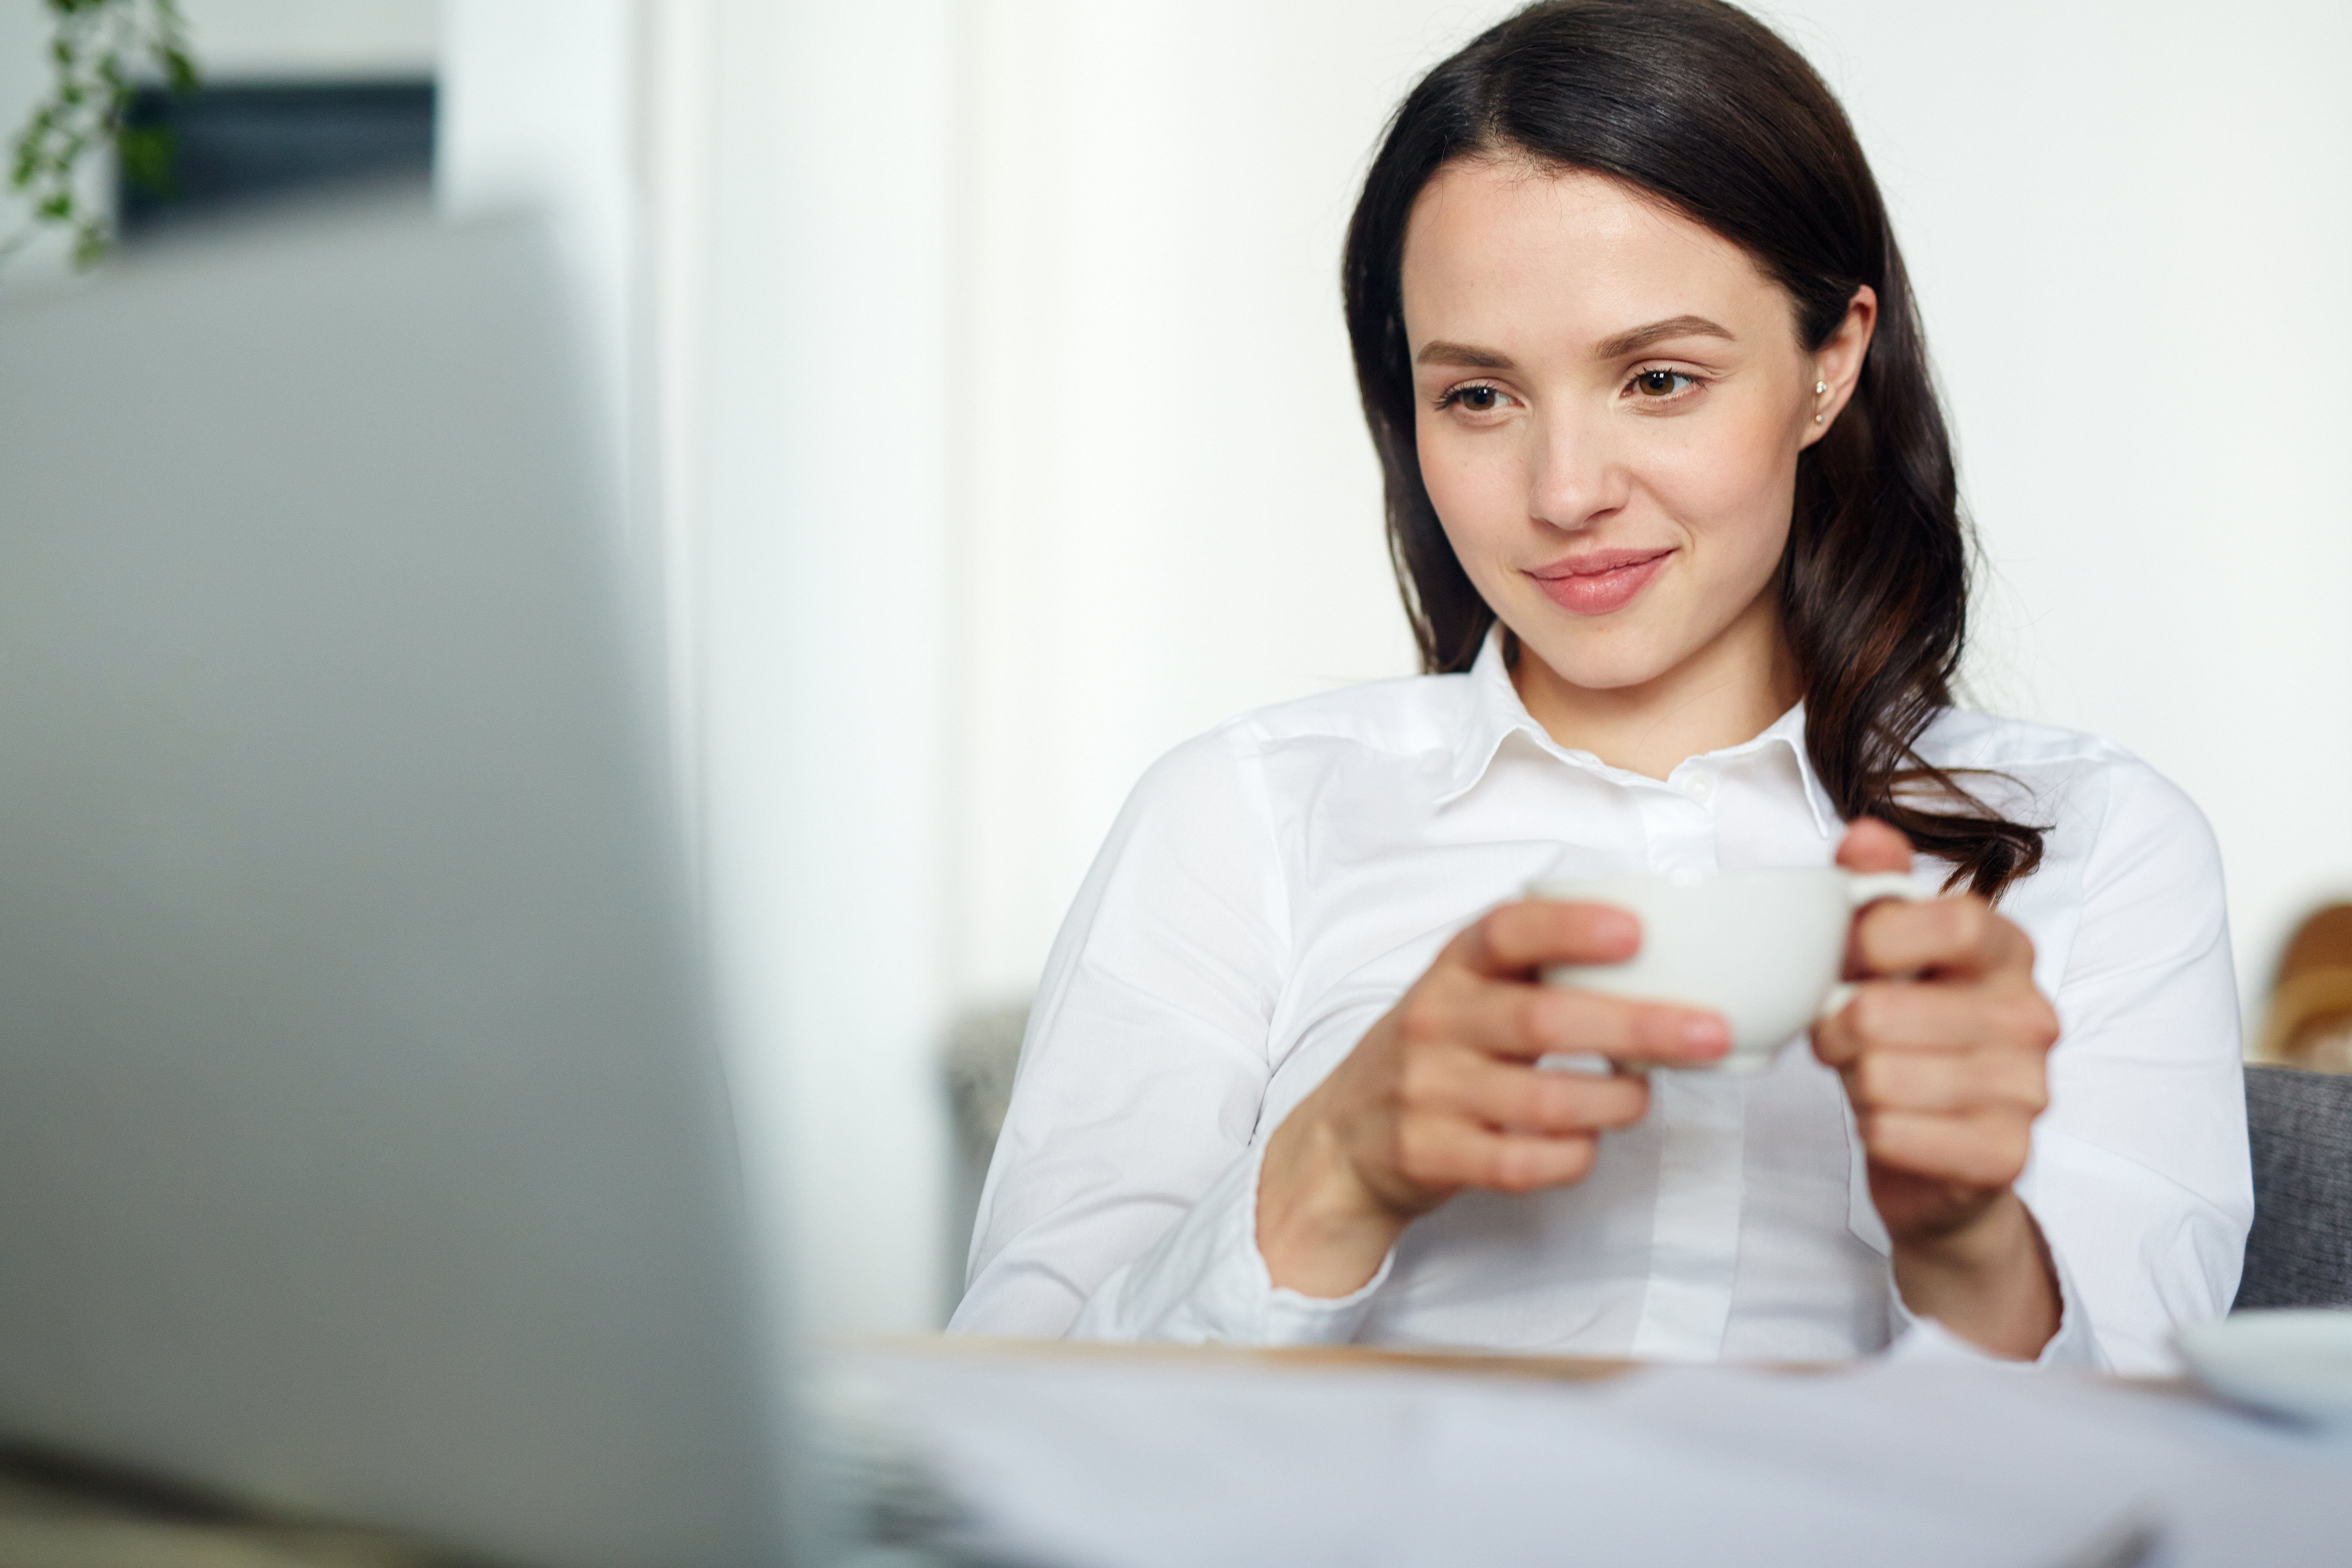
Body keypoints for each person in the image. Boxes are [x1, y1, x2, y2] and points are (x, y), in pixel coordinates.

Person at [947, 0, 2249, 1370]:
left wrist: (1968, 1245)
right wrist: (1330, 1170)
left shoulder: (2098, 849)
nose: (1565, 494)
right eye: (1480, 398)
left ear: (1833, 360)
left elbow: (2164, 1483)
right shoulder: (1241, 820)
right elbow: (997, 1426)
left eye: (1661, 378)